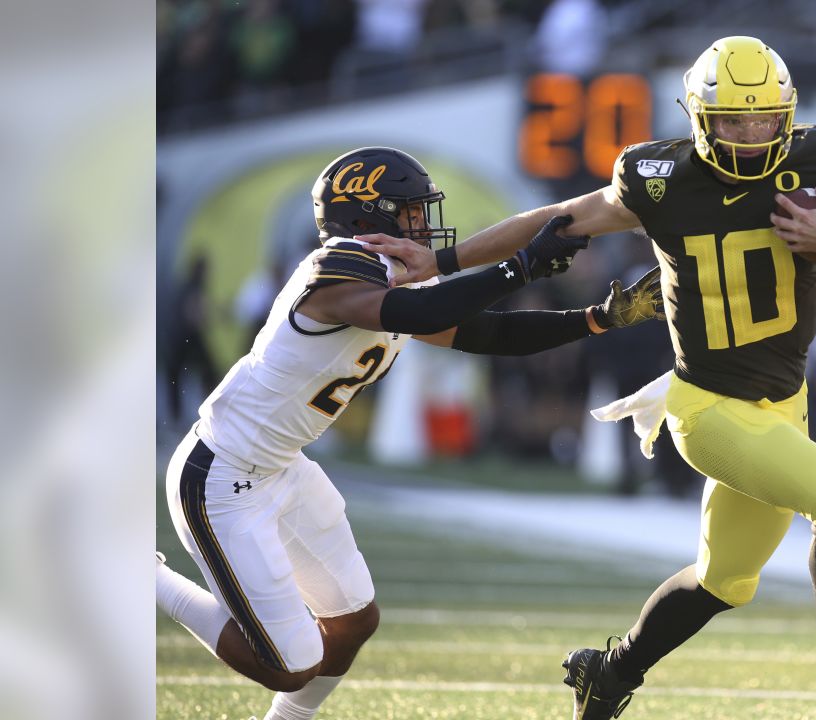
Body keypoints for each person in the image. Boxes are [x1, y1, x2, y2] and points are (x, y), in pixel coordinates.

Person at [362, 37, 816, 720]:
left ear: (788, 114)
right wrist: (443, 263)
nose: (750, 135)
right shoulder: (660, 178)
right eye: (733, 121)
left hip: (785, 403)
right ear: (699, 118)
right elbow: (554, 220)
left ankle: (609, 673)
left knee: (723, 582)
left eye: (764, 118)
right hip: (708, 407)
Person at [155, 146, 663, 720]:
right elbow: (419, 316)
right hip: (221, 472)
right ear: (367, 215)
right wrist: (520, 266)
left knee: (351, 621)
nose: (422, 224)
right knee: (287, 661)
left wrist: (596, 318)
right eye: (410, 212)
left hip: (281, 466)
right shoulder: (333, 269)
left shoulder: (387, 276)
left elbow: (486, 334)